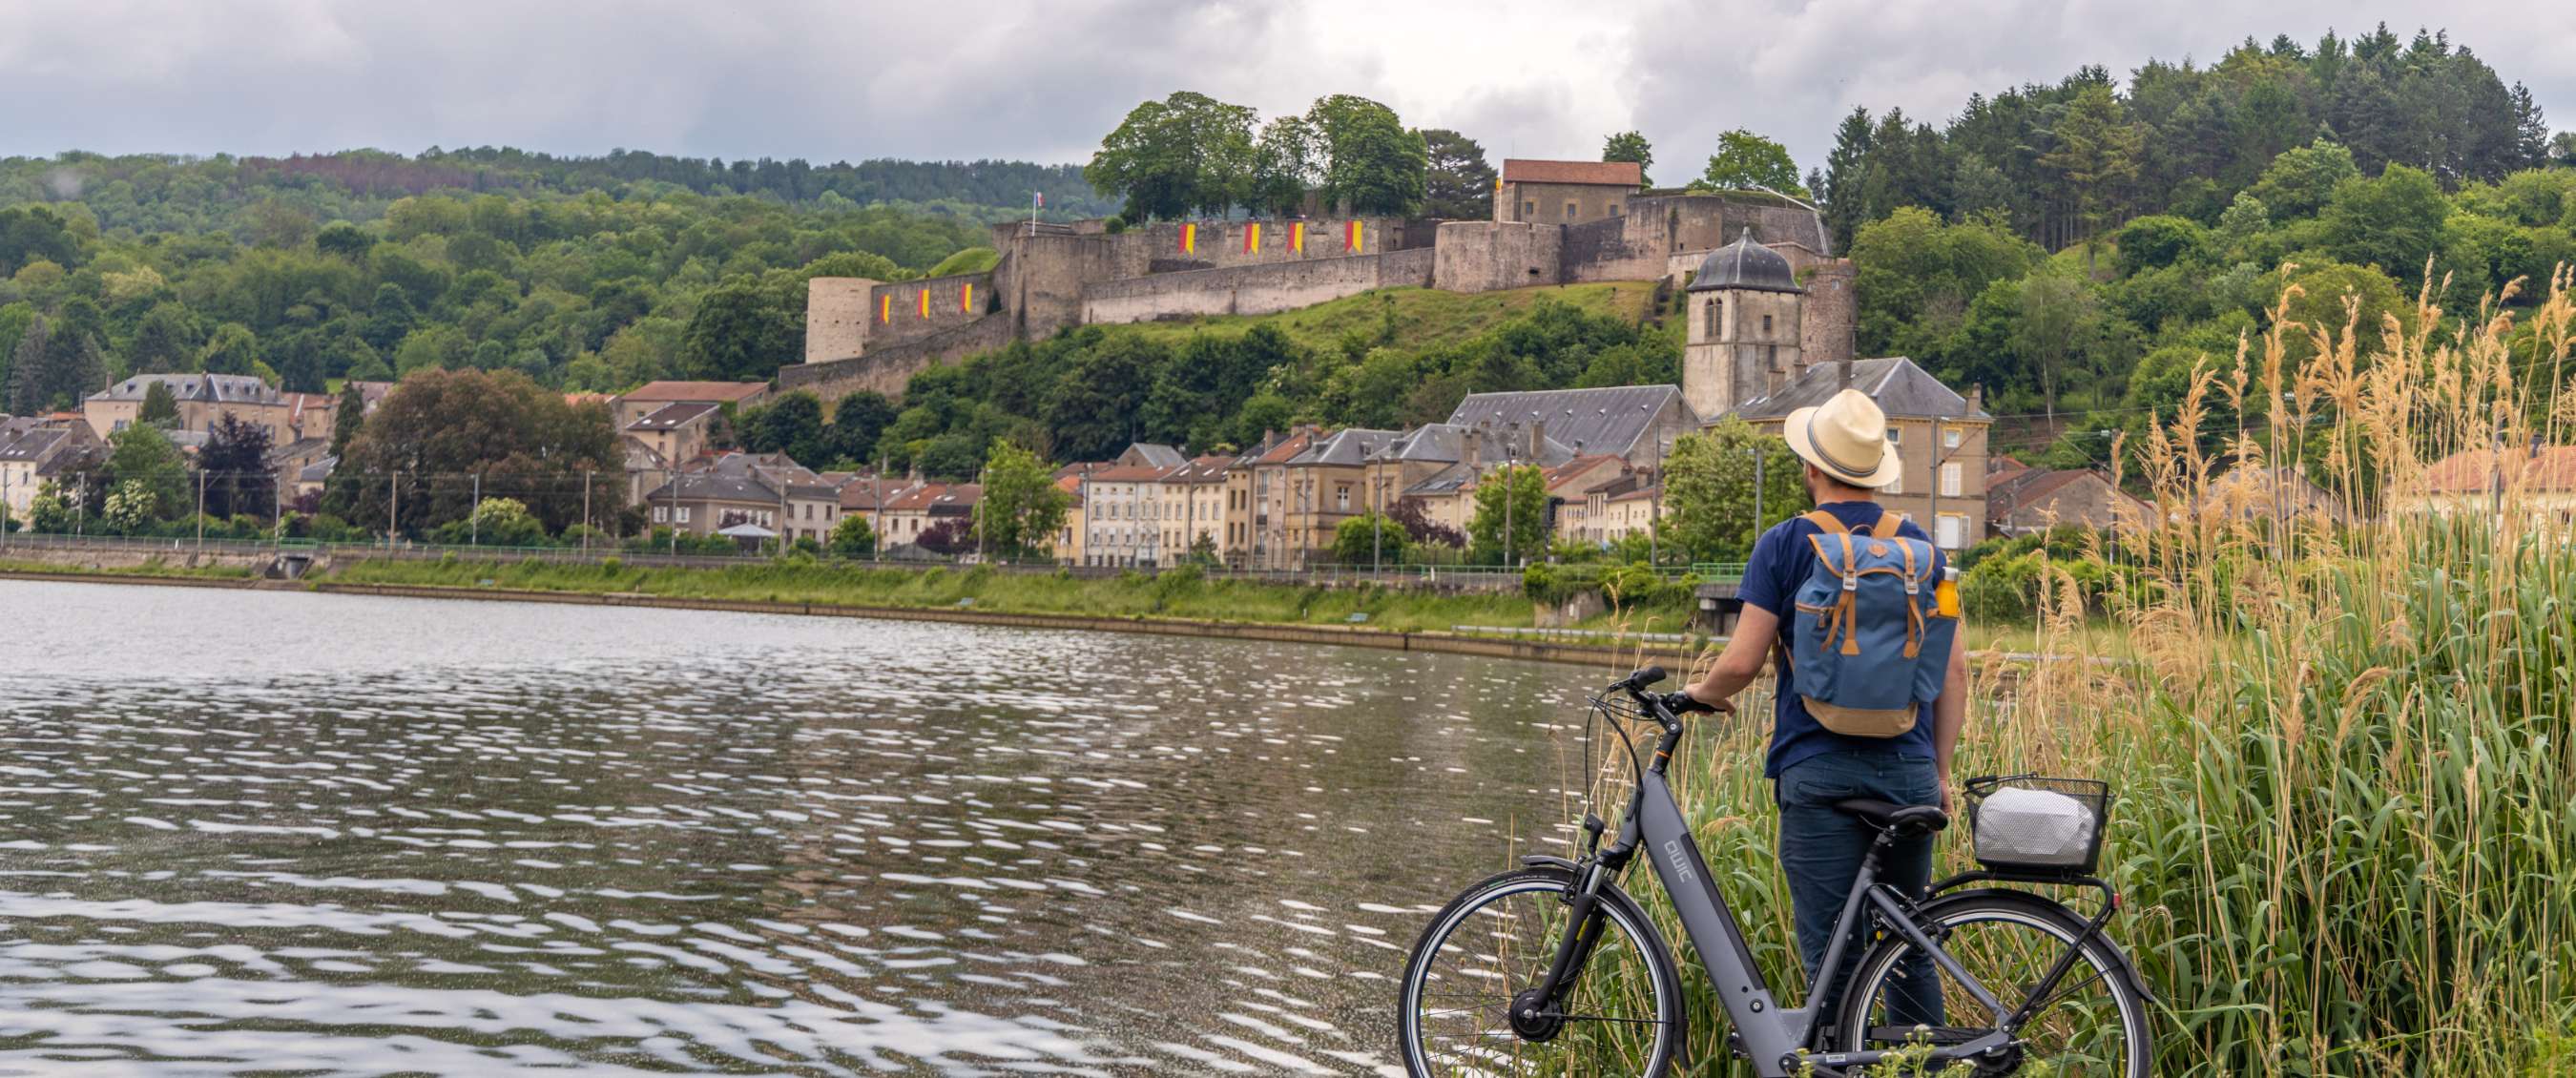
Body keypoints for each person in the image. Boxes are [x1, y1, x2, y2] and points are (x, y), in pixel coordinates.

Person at [1673, 386, 1966, 1027]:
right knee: (1908, 946)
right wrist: (1940, 773)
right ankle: (1920, 1073)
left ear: (1811, 468)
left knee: (1834, 958)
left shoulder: (1782, 545)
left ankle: (1836, 1065)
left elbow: (1743, 661)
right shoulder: (1927, 555)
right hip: (1908, 769)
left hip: (1819, 769)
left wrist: (1699, 694)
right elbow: (1953, 668)